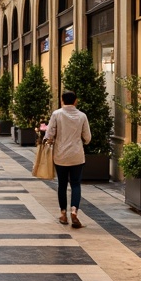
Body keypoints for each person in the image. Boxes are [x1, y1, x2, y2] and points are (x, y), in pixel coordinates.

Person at [45, 89, 92, 228]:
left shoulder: (56, 114)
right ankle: (74, 212)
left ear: (62, 100)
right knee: (76, 184)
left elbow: (49, 134)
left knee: (62, 184)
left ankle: (63, 213)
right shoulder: (82, 116)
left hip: (60, 155)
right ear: (75, 101)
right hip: (77, 155)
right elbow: (88, 138)